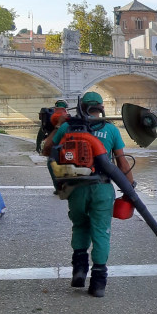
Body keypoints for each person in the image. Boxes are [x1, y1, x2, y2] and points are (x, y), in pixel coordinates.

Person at [45, 91, 135, 297]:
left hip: (75, 188)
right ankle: (98, 283)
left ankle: (79, 270)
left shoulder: (68, 127)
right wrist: (130, 190)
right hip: (102, 188)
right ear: (101, 107)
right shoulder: (111, 130)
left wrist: (59, 124)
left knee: (80, 225)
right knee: (101, 232)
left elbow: (47, 150)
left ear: (81, 107)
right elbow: (122, 163)